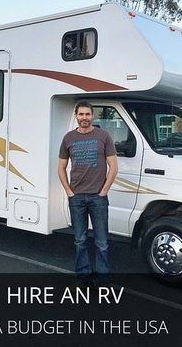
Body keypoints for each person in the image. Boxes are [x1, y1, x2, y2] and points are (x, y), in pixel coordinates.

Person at [58, 100, 118, 287]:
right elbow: (61, 167)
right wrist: (69, 192)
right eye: (81, 114)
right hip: (77, 198)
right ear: (76, 115)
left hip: (97, 198)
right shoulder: (68, 138)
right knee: (80, 240)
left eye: (87, 114)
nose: (84, 118)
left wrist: (104, 191)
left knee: (102, 242)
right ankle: (83, 278)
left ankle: (103, 279)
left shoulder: (103, 136)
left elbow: (113, 166)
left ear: (93, 116)